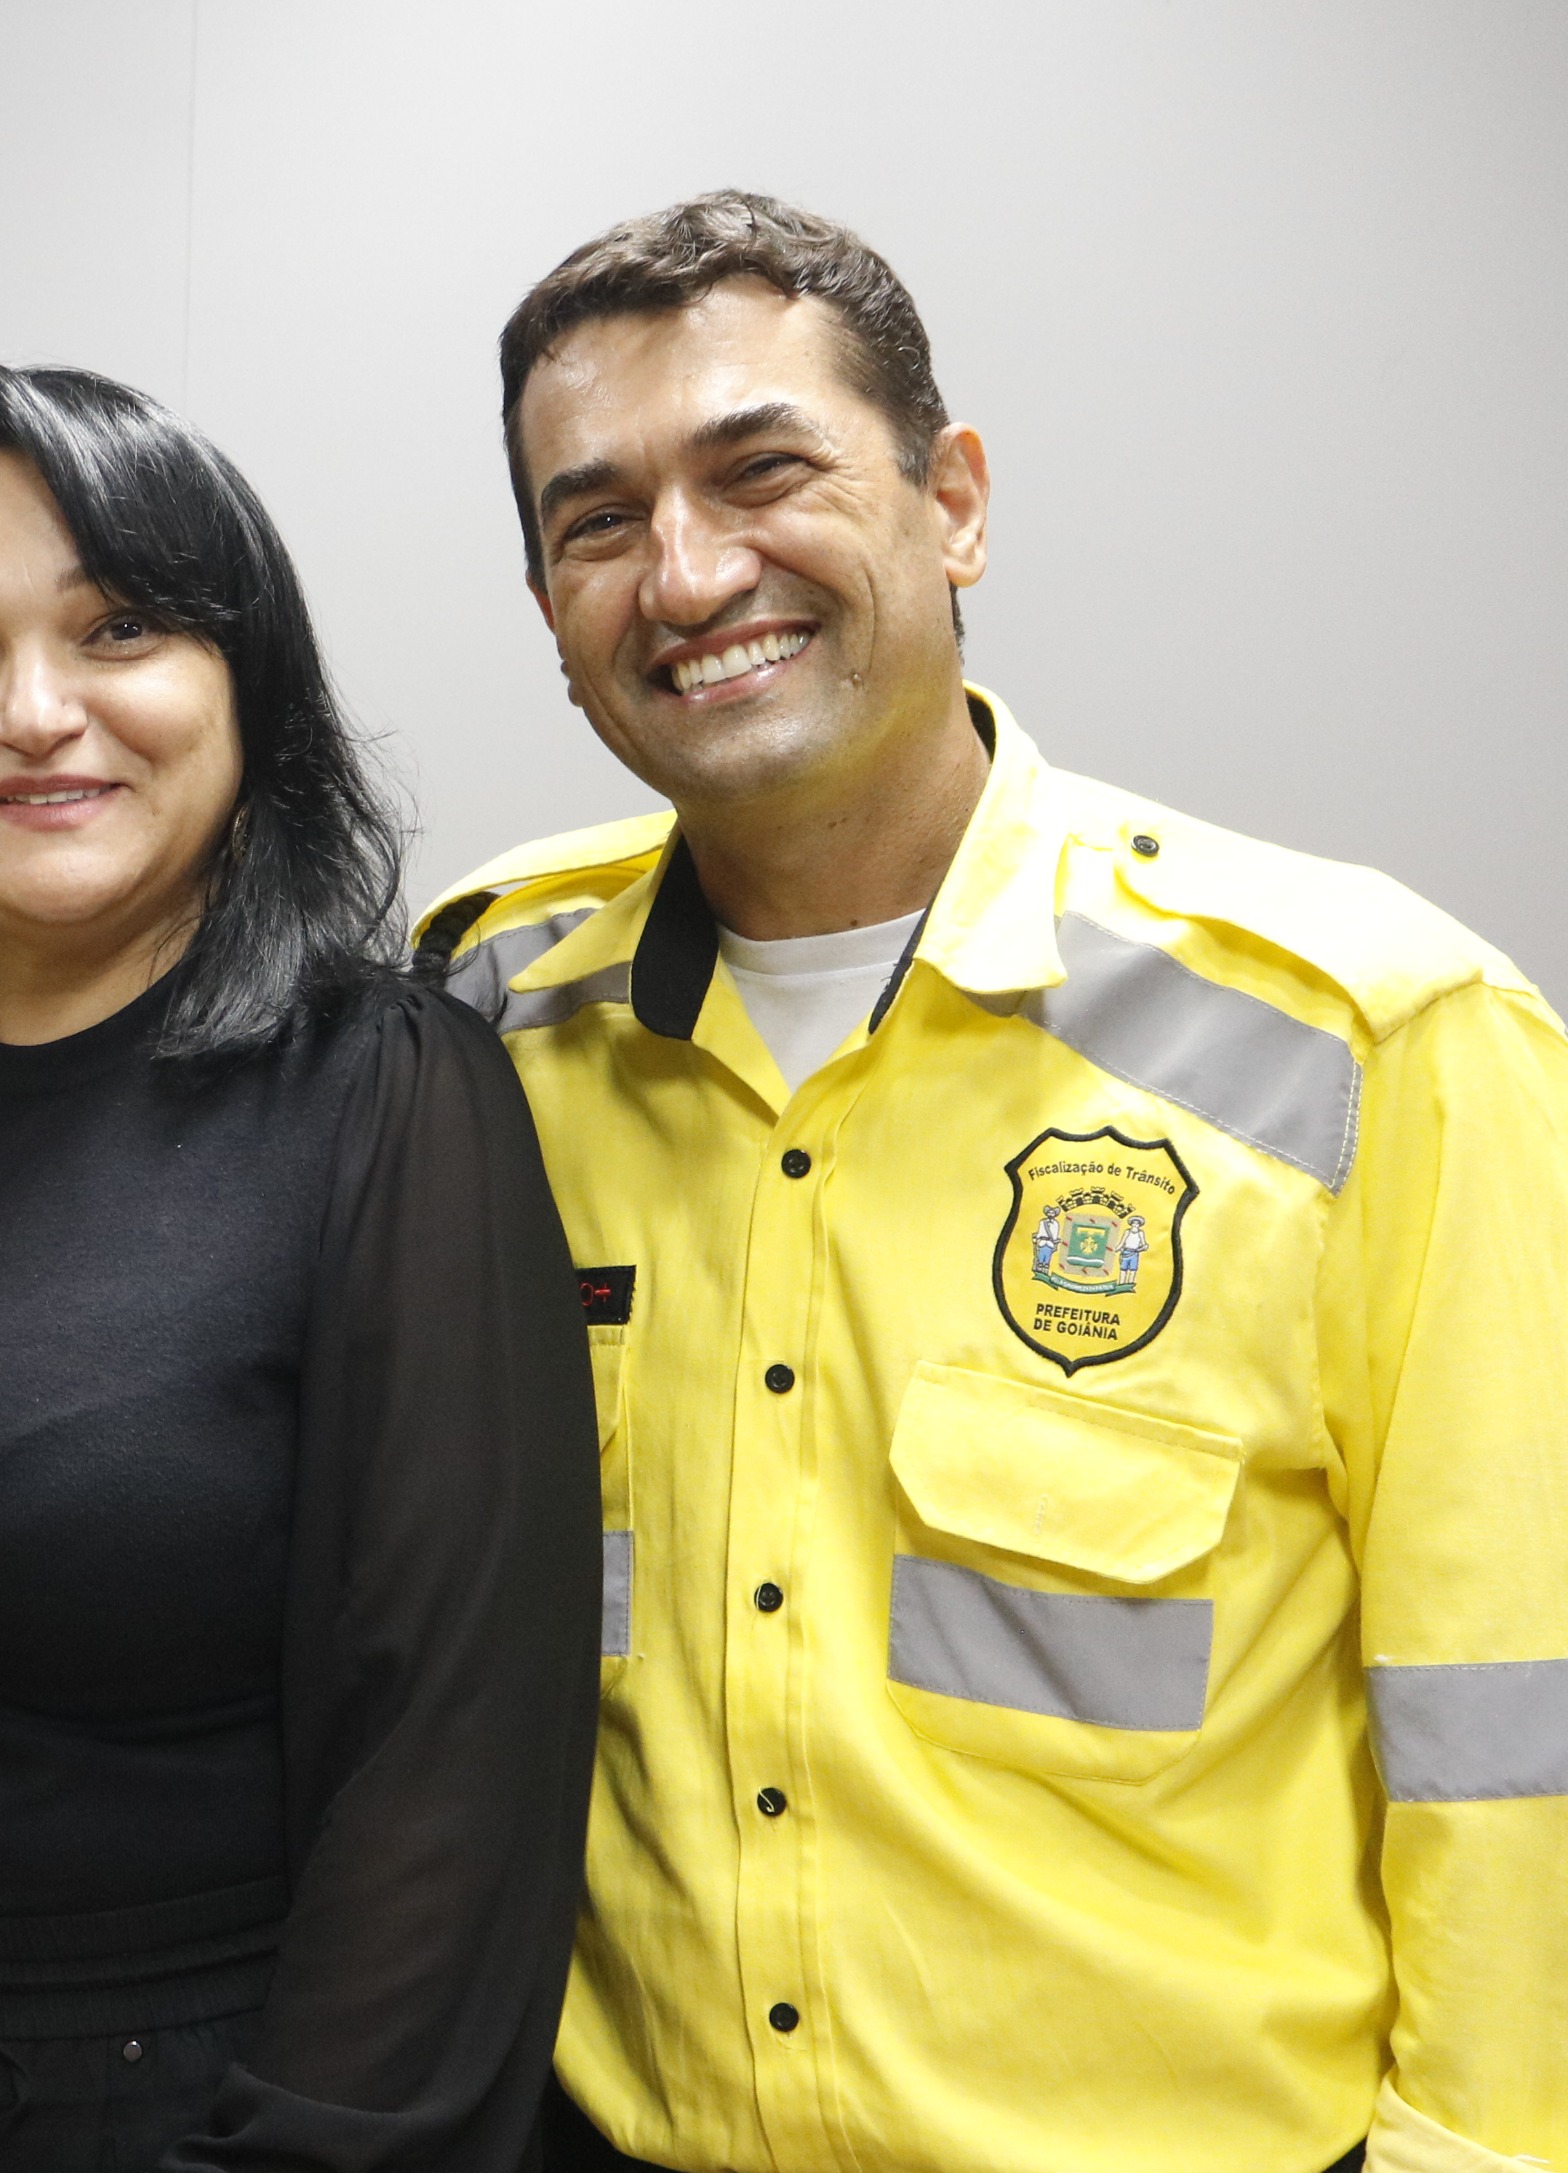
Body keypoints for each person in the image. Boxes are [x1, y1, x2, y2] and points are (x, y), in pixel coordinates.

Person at [424, 191, 1568, 2173]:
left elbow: (1516, 1727)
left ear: (950, 502)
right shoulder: (486, 1017)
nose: (686, 572)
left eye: (760, 470)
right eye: (597, 521)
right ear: (547, 609)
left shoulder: (1377, 1038)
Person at [0, 361, 597, 2171]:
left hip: (170, 2097)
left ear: (247, 682)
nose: (35, 712)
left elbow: (454, 1768)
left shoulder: (385, 1096)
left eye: (121, 629)